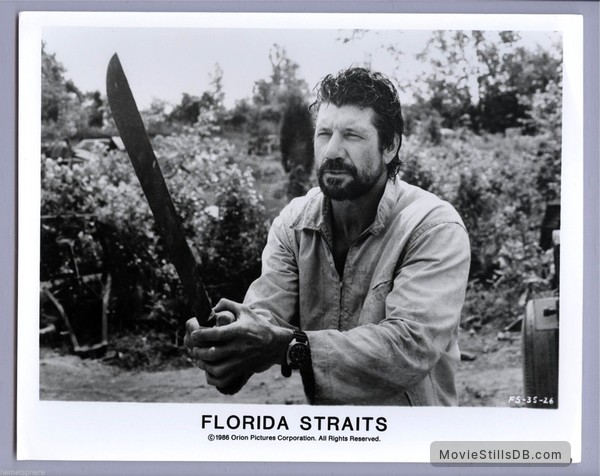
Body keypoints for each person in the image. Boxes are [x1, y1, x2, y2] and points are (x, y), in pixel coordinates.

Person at [184, 67, 470, 406]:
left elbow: (407, 349)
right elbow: (265, 317)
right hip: (331, 438)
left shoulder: (432, 226)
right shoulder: (294, 224)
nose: (332, 151)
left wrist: (283, 346)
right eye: (324, 134)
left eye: (351, 135)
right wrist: (230, 339)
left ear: (390, 146)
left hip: (411, 443)